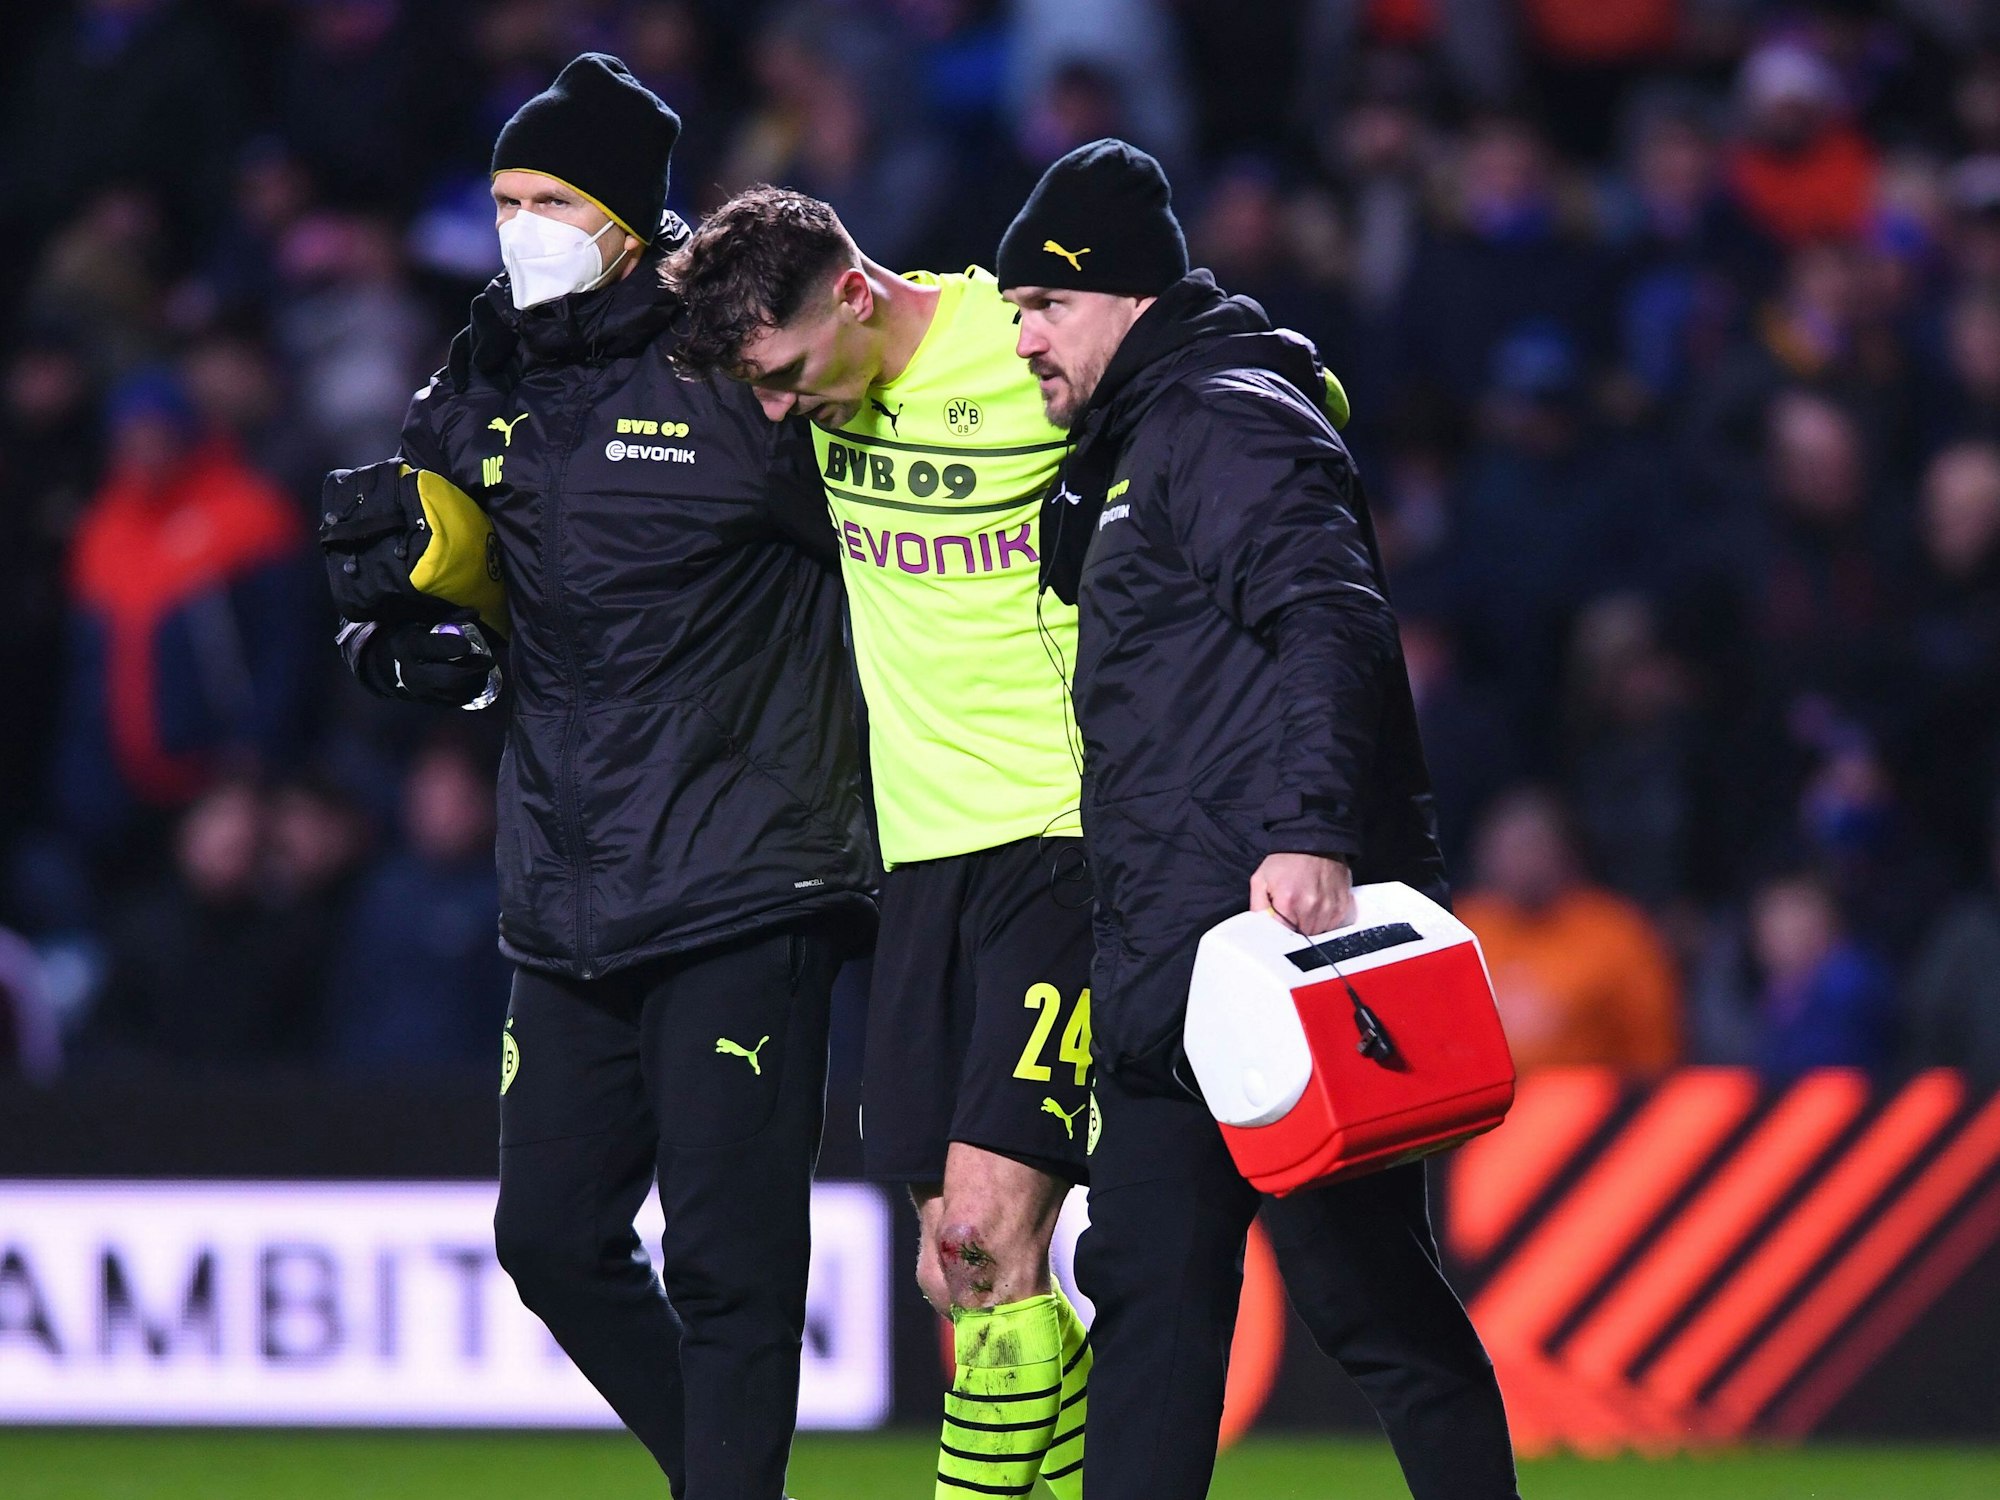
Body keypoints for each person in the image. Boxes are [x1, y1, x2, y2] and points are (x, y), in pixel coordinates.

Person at [320, 55, 874, 1499]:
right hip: (565, 883)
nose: (520, 226)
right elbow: (436, 572)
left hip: (749, 872)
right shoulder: (482, 370)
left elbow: (889, 578)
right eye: (505, 198)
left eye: (550, 199)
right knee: (550, 1239)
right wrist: (412, 644)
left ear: (632, 218)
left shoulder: (736, 365)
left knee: (731, 1264)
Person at [997, 139, 1519, 1500]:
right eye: (1008, 316)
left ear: (1121, 297)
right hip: (1172, 962)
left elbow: (1332, 619)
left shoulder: (1223, 420)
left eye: (1041, 307)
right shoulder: (1131, 447)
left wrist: (1315, 831)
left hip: (1283, 945)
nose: (1022, 343)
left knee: (1367, 1305)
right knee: (1154, 1309)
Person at [667, 188, 1095, 1500]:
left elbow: (1194, 398)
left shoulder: (1015, 345)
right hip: (916, 861)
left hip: (1064, 836)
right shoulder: (818, 399)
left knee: (981, 1232)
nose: (782, 411)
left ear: (854, 292)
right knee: (953, 1271)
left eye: (788, 374)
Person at [1454, 785, 1682, 1073]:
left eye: (1533, 846)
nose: (1522, 862)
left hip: (1592, 1108)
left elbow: (1654, 1047)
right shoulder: (1459, 929)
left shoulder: (1614, 931)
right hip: (1488, 1109)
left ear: (1564, 851)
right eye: (1510, 848)